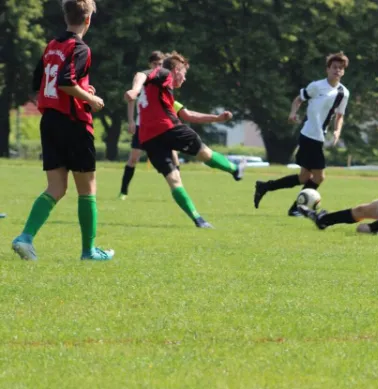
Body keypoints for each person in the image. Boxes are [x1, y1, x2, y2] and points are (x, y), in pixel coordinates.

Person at [12, 0, 114, 261]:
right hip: (74, 123)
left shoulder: (52, 45)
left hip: (50, 122)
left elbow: (42, 81)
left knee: (56, 187)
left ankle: (25, 238)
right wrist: (90, 100)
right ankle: (88, 252)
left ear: (65, 16)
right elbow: (66, 82)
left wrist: (81, 89)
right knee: (87, 189)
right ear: (88, 19)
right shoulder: (80, 48)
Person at [123, 51, 246, 228]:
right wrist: (134, 90)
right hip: (169, 129)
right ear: (175, 69)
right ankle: (234, 169)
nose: (185, 79)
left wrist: (216, 118)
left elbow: (188, 115)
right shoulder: (164, 74)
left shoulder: (160, 91)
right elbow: (141, 74)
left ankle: (198, 220)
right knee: (205, 154)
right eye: (184, 73)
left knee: (174, 180)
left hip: (149, 138)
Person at [254, 52, 350, 216]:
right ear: (327, 69)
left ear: (343, 72)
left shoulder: (344, 93)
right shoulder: (316, 86)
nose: (337, 70)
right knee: (319, 177)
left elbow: (340, 115)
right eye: (334, 67)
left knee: (304, 177)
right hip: (310, 136)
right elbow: (299, 99)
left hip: (318, 137)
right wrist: (292, 113)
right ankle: (297, 209)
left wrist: (337, 130)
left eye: (341, 68)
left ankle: (265, 186)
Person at [119, 50, 169, 200]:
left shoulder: (163, 81)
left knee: (172, 156)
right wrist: (132, 121)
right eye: (155, 64)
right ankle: (123, 191)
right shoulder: (143, 79)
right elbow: (131, 99)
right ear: (150, 64)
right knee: (133, 158)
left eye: (160, 64)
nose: (157, 67)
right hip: (142, 126)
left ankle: (175, 188)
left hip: (159, 126)